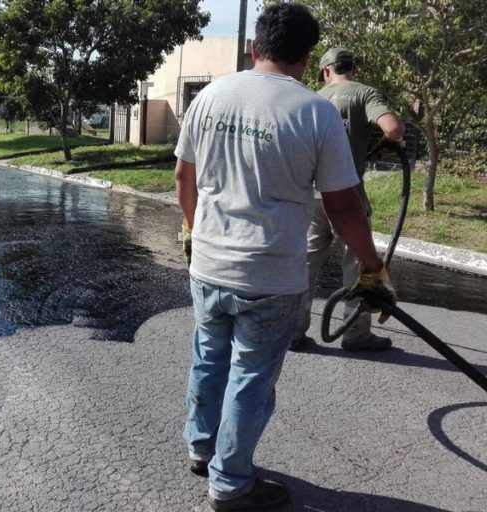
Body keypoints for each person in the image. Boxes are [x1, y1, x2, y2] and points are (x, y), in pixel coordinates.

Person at [174, 4, 396, 510]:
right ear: (307, 55)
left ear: (255, 47)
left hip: (207, 265)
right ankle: (230, 483)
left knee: (209, 357)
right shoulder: (315, 112)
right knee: (250, 377)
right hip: (271, 276)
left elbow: (184, 179)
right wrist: (371, 267)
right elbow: (342, 207)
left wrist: (193, 229)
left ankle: (200, 446)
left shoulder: (209, 96)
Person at [290, 48, 405, 352]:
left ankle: (293, 332)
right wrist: (381, 143)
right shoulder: (364, 93)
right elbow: (393, 129)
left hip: (313, 196)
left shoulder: (312, 97)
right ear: (351, 69)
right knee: (356, 267)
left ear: (326, 71)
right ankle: (355, 335)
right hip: (348, 195)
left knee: (304, 265)